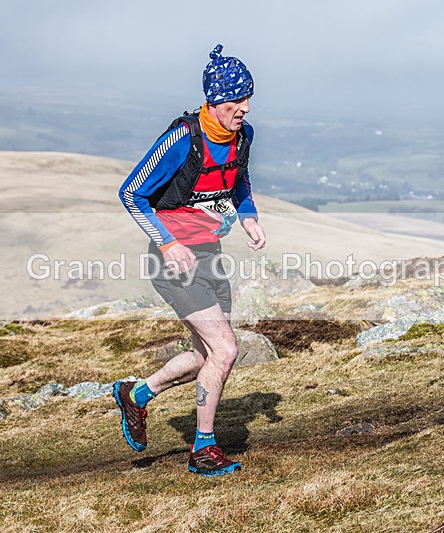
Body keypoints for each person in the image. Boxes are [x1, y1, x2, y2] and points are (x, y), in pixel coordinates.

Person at [113, 44, 266, 476]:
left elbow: (240, 182)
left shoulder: (242, 136)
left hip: (209, 256)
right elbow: (131, 193)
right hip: (173, 262)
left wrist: (250, 218)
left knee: (205, 354)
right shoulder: (182, 140)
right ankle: (203, 449)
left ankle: (137, 395)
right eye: (237, 101)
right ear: (215, 101)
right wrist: (166, 242)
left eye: (249, 98)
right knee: (226, 349)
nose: (246, 108)